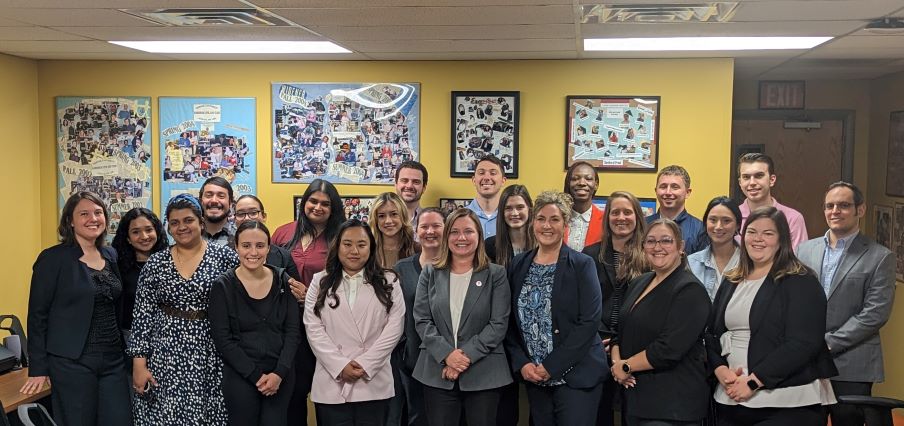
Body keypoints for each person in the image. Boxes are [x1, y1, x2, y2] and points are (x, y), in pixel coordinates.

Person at [705, 207, 837, 425]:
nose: (758, 239)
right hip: (730, 397)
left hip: (786, 402)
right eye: (752, 232)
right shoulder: (732, 279)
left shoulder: (800, 280)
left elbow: (803, 343)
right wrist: (719, 370)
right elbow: (712, 334)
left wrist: (754, 382)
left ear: (781, 240)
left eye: (768, 234)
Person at [21, 192, 132, 425]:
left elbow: (116, 305)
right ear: (70, 221)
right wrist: (38, 368)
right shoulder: (52, 259)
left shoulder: (110, 254)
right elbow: (37, 315)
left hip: (113, 360)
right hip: (72, 362)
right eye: (84, 214)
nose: (93, 218)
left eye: (98, 212)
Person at [128, 193, 239, 425]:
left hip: (211, 352)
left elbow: (244, 300)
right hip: (165, 355)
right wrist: (139, 363)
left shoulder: (226, 258)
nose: (182, 227)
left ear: (201, 222)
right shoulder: (155, 264)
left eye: (188, 220)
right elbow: (142, 316)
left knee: (210, 414)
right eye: (175, 222)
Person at [796, 181, 896, 426]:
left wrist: (828, 344)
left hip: (853, 362)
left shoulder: (880, 257)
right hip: (805, 361)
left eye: (843, 205)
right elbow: (793, 301)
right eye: (829, 206)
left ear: (860, 210)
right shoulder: (803, 251)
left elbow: (874, 314)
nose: (835, 211)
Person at [505, 191, 605, 426]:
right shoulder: (519, 264)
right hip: (535, 377)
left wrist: (551, 367)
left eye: (554, 219)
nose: (546, 226)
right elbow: (509, 322)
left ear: (566, 223)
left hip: (576, 376)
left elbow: (589, 322)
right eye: (540, 219)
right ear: (532, 223)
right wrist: (523, 364)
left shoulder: (582, 265)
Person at [413, 208, 512, 426]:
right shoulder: (430, 273)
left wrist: (461, 358)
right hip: (436, 372)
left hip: (484, 374)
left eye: (468, 231)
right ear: (447, 236)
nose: (462, 238)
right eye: (455, 232)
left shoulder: (496, 274)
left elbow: (498, 324)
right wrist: (447, 355)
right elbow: (422, 319)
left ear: (479, 235)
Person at [610, 219, 711, 426]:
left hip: (671, 405)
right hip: (635, 398)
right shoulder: (639, 282)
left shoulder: (690, 290)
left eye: (666, 241)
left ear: (680, 247)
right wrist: (617, 364)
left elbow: (668, 349)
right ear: (643, 246)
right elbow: (618, 331)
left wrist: (627, 366)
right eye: (651, 241)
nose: (658, 247)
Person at [304, 220, 405, 425]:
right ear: (337, 246)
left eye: (361, 244)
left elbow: (395, 327)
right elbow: (313, 328)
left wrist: (365, 364)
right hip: (332, 379)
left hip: (373, 379)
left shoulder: (389, 281)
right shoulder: (320, 281)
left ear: (371, 247)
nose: (354, 251)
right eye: (347, 244)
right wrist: (340, 365)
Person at [209, 221, 302, 426]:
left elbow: (293, 331)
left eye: (260, 246)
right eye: (246, 245)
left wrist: (279, 373)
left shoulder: (284, 280)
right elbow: (223, 340)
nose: (253, 252)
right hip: (241, 375)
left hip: (281, 374)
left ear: (269, 248)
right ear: (236, 247)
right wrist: (256, 376)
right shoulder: (222, 286)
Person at [272, 179, 346, 425]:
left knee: (329, 392)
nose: (318, 207)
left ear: (333, 208)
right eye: (313, 201)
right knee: (293, 391)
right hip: (287, 326)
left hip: (327, 325)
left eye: (325, 203)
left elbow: (348, 281)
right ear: (304, 202)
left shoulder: (340, 237)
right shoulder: (283, 233)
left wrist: (312, 295)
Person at [582, 191, 649, 426]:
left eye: (627, 212)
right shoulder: (589, 256)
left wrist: (622, 341)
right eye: (615, 212)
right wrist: (598, 339)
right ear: (607, 217)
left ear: (638, 217)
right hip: (597, 348)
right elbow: (580, 306)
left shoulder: (651, 256)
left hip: (637, 350)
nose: (621, 218)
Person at [394, 207, 446, 426]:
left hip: (449, 360)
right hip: (413, 360)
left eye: (436, 226)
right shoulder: (401, 269)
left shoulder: (459, 268)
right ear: (416, 232)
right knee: (417, 417)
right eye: (424, 227)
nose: (430, 231)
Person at [111, 207, 167, 334]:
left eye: (149, 230)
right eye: (136, 232)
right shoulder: (117, 267)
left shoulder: (170, 262)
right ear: (128, 238)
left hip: (165, 335)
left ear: (157, 232)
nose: (144, 236)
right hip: (129, 334)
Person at [736, 153, 808, 249]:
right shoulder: (732, 218)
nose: (752, 182)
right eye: (746, 177)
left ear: (772, 180)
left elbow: (798, 260)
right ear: (740, 183)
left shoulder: (792, 219)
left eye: (759, 176)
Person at [233, 194, 301, 281]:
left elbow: (294, 290)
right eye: (240, 214)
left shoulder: (283, 256)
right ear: (235, 219)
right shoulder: (225, 254)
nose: (246, 218)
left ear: (264, 216)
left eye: (253, 213)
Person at [687, 196, 742, 300]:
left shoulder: (748, 262)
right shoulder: (691, 263)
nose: (718, 227)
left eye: (726, 221)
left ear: (737, 225)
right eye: (713, 220)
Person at [645, 165, 704, 254]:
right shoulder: (642, 226)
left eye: (675, 187)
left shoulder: (700, 229)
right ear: (656, 191)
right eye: (663, 187)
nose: (668, 192)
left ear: (687, 193)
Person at [485, 184, 536, 268]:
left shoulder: (541, 244)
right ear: (502, 212)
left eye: (520, 207)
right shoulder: (490, 246)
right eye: (508, 208)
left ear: (529, 209)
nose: (515, 213)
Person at [370, 192, 419, 270]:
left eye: (394, 214)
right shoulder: (368, 250)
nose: (388, 221)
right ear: (376, 220)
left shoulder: (417, 250)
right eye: (381, 216)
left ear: (403, 216)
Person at [563, 161, 603, 250]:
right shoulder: (558, 218)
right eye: (575, 178)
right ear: (568, 183)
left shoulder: (606, 221)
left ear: (596, 185)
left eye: (588, 179)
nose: (582, 183)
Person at [466, 155, 507, 238]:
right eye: (481, 173)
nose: (487, 178)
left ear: (503, 181)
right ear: (474, 180)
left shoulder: (511, 216)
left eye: (493, 173)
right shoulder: (460, 217)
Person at [199, 176, 236, 246]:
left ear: (230, 203)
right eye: (209, 195)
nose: (214, 201)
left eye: (221, 196)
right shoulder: (189, 235)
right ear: (201, 202)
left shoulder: (240, 235)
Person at [395, 160, 429, 227]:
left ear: (424, 187)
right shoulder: (382, 220)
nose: (409, 186)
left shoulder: (431, 221)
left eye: (416, 182)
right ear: (396, 184)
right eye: (404, 180)